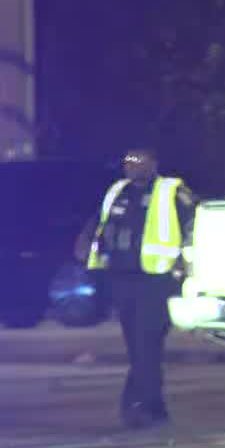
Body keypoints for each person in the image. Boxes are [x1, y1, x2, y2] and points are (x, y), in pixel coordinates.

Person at [75, 148, 196, 429]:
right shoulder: (117, 191)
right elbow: (100, 223)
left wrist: (186, 265)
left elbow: (193, 225)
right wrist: (85, 245)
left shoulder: (171, 191)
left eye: (139, 161)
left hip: (157, 280)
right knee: (138, 346)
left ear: (154, 163)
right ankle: (146, 405)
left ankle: (145, 406)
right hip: (123, 279)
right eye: (128, 162)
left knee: (147, 343)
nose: (132, 166)